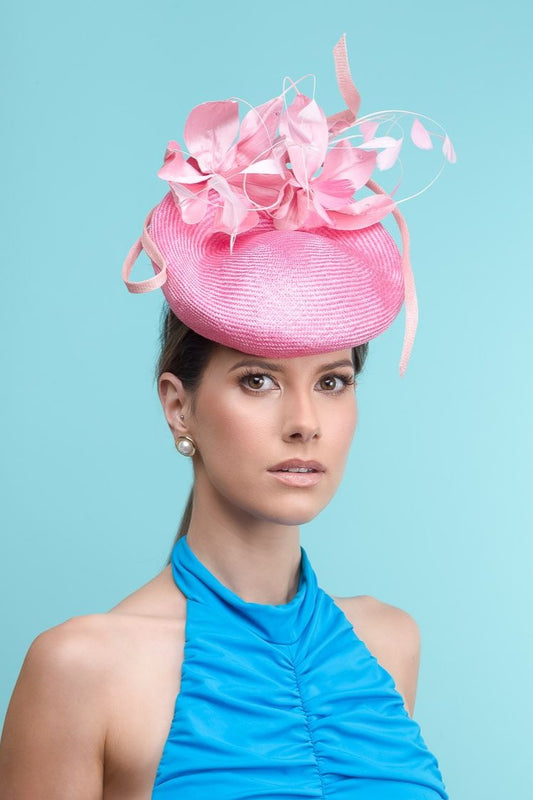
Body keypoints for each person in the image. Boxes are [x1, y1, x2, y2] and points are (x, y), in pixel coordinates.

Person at [0, 35, 454, 799]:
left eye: (333, 382)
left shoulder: (389, 644)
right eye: (257, 381)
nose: (305, 421)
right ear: (178, 405)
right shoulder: (83, 668)